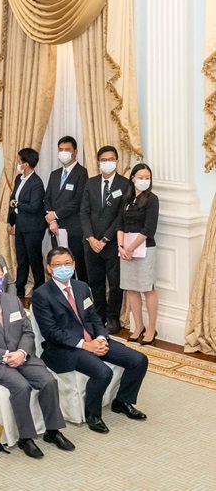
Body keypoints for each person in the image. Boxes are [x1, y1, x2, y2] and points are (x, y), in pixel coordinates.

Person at [0, 258, 73, 458]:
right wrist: (4, 356)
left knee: (48, 381)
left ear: (2, 277)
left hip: (21, 356)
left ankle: (53, 431)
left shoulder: (12, 301)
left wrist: (21, 353)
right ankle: (26, 438)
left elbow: (27, 332)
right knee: (21, 386)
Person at [32, 248, 149, 434]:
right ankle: (92, 415)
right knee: (102, 372)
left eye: (67, 263)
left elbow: (94, 318)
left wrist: (101, 338)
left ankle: (122, 401)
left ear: (74, 264)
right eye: (58, 265)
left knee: (138, 360)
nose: (64, 267)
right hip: (65, 348)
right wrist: (86, 345)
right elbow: (51, 332)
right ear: (49, 268)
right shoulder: (41, 295)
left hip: (93, 340)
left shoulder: (81, 287)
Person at [81, 146, 130, 331]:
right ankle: (99, 316)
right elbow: (84, 213)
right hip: (91, 244)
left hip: (112, 244)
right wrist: (91, 238)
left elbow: (121, 216)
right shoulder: (91, 183)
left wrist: (105, 239)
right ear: (98, 162)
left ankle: (113, 318)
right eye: (103, 160)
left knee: (115, 283)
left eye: (111, 159)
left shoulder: (125, 184)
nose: (107, 163)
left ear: (117, 161)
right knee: (95, 283)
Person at [119, 164, 159, 344]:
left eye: (147, 177)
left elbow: (149, 229)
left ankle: (151, 329)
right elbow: (120, 224)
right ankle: (138, 326)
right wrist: (121, 247)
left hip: (144, 248)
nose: (144, 180)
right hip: (125, 249)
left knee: (147, 288)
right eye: (141, 177)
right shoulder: (126, 199)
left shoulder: (152, 199)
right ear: (133, 178)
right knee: (131, 288)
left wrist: (131, 248)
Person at [7, 148, 47, 300]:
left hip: (34, 227)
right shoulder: (19, 179)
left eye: (20, 161)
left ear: (26, 164)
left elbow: (35, 206)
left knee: (34, 259)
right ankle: (19, 288)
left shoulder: (37, 183)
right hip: (20, 226)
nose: (18, 163)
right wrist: (11, 222)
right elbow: (12, 199)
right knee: (21, 259)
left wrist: (17, 204)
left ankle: (40, 288)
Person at [46, 136, 87, 275]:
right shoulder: (55, 174)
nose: (63, 153)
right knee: (58, 266)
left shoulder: (82, 173)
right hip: (55, 228)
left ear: (75, 152)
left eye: (67, 150)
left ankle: (81, 295)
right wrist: (52, 220)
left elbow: (77, 201)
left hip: (74, 229)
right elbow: (47, 199)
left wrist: (56, 214)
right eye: (60, 150)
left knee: (79, 267)